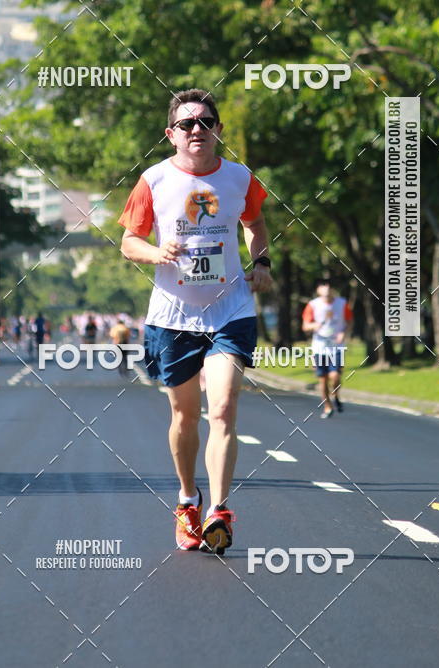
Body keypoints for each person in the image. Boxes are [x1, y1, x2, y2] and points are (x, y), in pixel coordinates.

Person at [119, 89, 272, 554]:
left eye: (206, 122)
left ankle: (219, 511)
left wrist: (261, 262)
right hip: (173, 315)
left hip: (230, 309)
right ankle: (188, 499)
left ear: (218, 130)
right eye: (186, 124)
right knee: (185, 416)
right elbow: (129, 241)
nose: (197, 130)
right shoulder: (153, 180)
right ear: (171, 135)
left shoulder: (239, 178)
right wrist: (155, 251)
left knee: (222, 408)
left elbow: (255, 223)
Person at [302, 280, 353, 419]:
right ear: (318, 290)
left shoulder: (342, 303)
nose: (327, 288)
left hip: (336, 347)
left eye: (329, 285)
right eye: (323, 286)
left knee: (335, 376)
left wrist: (344, 332)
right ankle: (327, 406)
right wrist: (314, 326)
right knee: (323, 380)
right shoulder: (313, 305)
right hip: (319, 348)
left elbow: (349, 321)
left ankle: (336, 395)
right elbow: (305, 326)